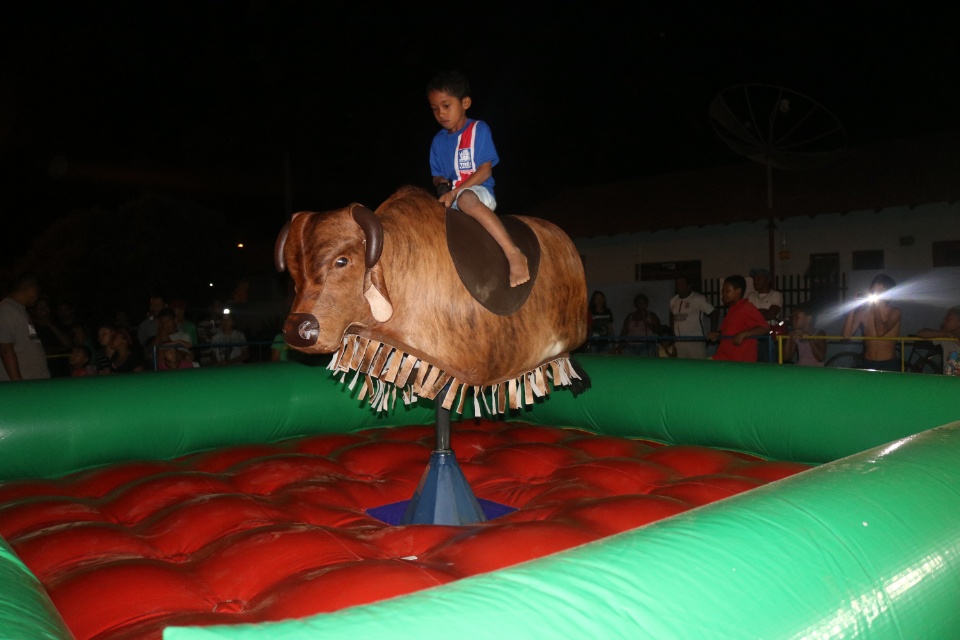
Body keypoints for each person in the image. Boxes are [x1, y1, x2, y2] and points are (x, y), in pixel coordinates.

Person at [427, 70, 529, 288]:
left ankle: (514, 254)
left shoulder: (478, 129)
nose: (441, 114)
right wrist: (441, 184)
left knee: (466, 199)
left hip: (478, 193)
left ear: (465, 102)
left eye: (446, 106)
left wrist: (454, 192)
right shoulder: (437, 141)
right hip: (451, 198)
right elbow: (436, 174)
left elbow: (485, 171)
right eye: (435, 109)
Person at [841, 274, 902, 372]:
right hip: (868, 362)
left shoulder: (895, 312)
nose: (875, 294)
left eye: (880, 291)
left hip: (888, 363)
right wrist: (853, 308)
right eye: (873, 290)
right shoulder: (863, 313)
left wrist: (875, 306)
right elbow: (846, 335)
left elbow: (880, 332)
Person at [0, 275, 51, 381]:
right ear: (32, 290)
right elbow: (5, 350)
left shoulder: (20, 310)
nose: (36, 298)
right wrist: (18, 384)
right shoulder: (5, 309)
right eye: (37, 294)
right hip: (23, 385)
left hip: (34, 381)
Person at [708, 275, 769, 362]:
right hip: (724, 357)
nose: (724, 294)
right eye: (723, 291)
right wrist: (716, 334)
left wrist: (744, 334)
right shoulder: (732, 309)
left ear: (738, 291)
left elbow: (765, 327)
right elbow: (727, 332)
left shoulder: (746, 307)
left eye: (727, 291)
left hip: (738, 361)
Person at [669, 276, 719, 360]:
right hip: (679, 341)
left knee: (698, 367)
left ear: (689, 285)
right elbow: (671, 314)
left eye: (682, 283)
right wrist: (673, 332)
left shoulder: (698, 298)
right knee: (682, 368)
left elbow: (714, 313)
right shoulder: (673, 300)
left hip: (696, 341)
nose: (679, 286)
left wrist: (713, 331)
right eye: (677, 284)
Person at [746, 268, 783, 362]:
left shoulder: (776, 295)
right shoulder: (751, 296)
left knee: (769, 363)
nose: (755, 281)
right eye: (754, 279)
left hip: (769, 336)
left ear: (768, 280)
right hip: (753, 336)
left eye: (759, 278)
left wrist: (754, 313)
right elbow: (746, 315)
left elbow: (771, 314)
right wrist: (763, 311)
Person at [916, 306, 960, 376]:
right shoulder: (946, 338)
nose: (944, 321)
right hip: (948, 382)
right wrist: (945, 334)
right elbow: (921, 333)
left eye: (948, 319)